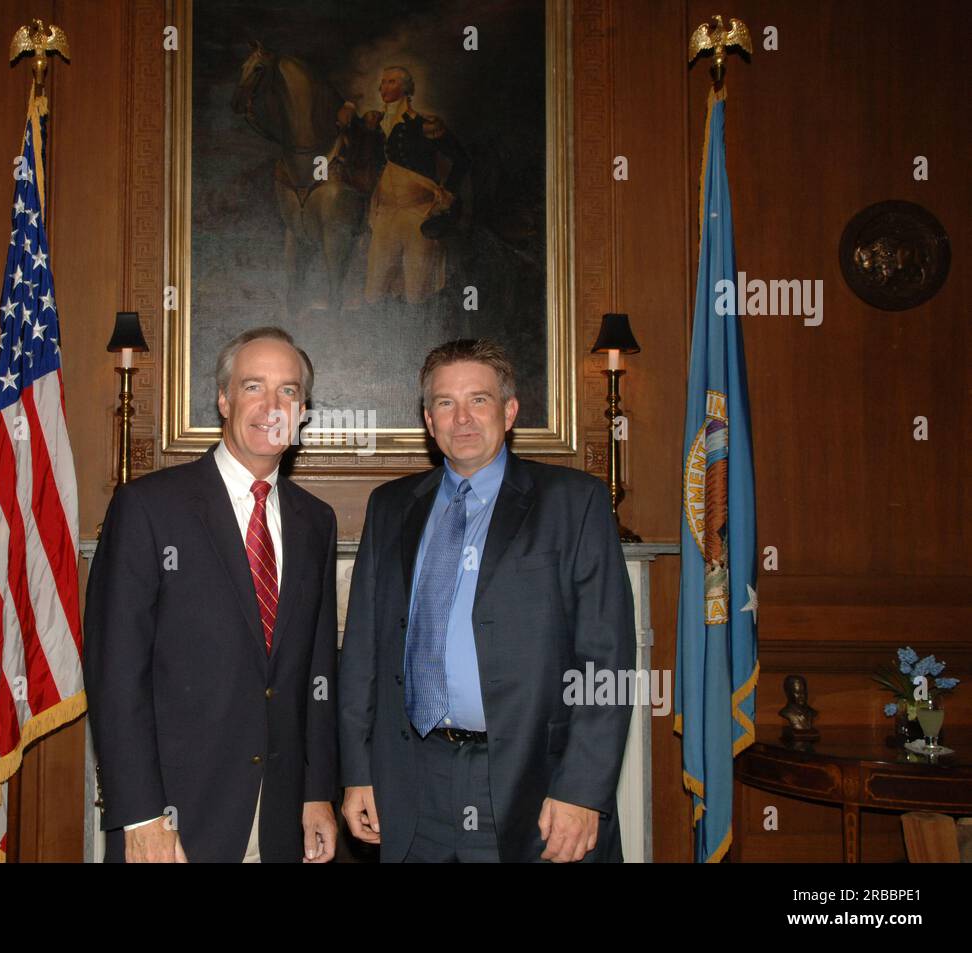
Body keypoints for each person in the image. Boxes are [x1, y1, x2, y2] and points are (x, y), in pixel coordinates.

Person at [339, 338, 634, 862]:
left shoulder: (574, 503)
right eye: (446, 404)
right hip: (411, 783)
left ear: (510, 410)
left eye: (479, 400)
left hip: (533, 784)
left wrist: (582, 790)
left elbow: (606, 661)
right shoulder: (390, 507)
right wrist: (359, 772)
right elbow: (362, 648)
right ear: (429, 421)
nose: (463, 419)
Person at [84, 326, 339, 862]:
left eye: (288, 391)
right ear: (223, 399)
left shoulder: (315, 521)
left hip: (279, 819)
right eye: (253, 387)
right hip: (173, 821)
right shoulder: (149, 508)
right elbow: (116, 673)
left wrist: (317, 792)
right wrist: (140, 814)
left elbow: (315, 670)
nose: (272, 405)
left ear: (303, 410)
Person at [337, 66, 470, 305]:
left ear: (406, 88)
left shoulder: (425, 125)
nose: (382, 87)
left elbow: (461, 159)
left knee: (416, 292)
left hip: (417, 213)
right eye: (382, 82)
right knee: (375, 291)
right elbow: (353, 142)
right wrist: (348, 106)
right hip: (385, 214)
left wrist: (447, 194)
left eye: (390, 82)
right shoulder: (374, 123)